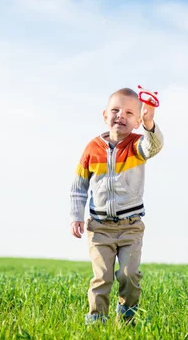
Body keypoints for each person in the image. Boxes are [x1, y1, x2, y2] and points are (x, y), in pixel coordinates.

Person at [70, 87, 164, 324]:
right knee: (102, 278)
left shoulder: (138, 146)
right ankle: (96, 323)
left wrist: (150, 124)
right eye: (115, 110)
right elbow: (79, 186)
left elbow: (154, 146)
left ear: (136, 121)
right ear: (105, 115)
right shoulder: (92, 148)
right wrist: (76, 216)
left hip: (130, 227)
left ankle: (127, 317)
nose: (121, 115)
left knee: (129, 275)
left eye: (130, 113)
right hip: (99, 228)